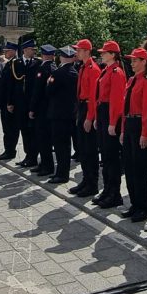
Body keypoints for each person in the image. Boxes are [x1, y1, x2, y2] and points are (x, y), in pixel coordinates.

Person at [120, 48, 147, 222]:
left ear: (144, 62)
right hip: (129, 124)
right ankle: (134, 204)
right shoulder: (131, 80)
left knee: (140, 169)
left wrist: (145, 133)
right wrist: (122, 130)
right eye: (131, 60)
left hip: (139, 124)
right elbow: (124, 107)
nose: (132, 63)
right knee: (129, 167)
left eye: (135, 60)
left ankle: (143, 208)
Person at [91, 41, 127, 210]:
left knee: (111, 158)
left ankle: (114, 194)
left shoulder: (116, 72)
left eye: (105, 53)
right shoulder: (107, 70)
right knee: (105, 157)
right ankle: (107, 190)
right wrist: (97, 117)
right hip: (103, 113)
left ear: (113, 54)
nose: (102, 55)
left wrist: (113, 122)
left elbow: (116, 100)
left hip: (110, 114)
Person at [69, 40, 101, 199]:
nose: (77, 53)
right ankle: (86, 180)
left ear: (87, 51)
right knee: (82, 147)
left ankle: (92, 184)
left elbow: (94, 96)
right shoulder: (83, 67)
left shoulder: (93, 69)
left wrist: (89, 117)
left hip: (89, 107)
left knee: (90, 149)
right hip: (82, 107)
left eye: (79, 50)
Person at [45, 46, 79, 184]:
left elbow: (49, 91)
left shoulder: (58, 73)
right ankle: (62, 173)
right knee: (66, 145)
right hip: (70, 114)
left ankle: (61, 174)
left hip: (58, 114)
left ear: (61, 57)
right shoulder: (74, 72)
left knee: (60, 146)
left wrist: (48, 83)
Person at [30, 45, 57, 175]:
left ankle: (47, 166)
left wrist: (32, 108)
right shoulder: (53, 67)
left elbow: (37, 91)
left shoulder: (43, 68)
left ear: (44, 55)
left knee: (43, 138)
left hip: (42, 108)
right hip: (49, 108)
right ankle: (44, 164)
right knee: (44, 138)